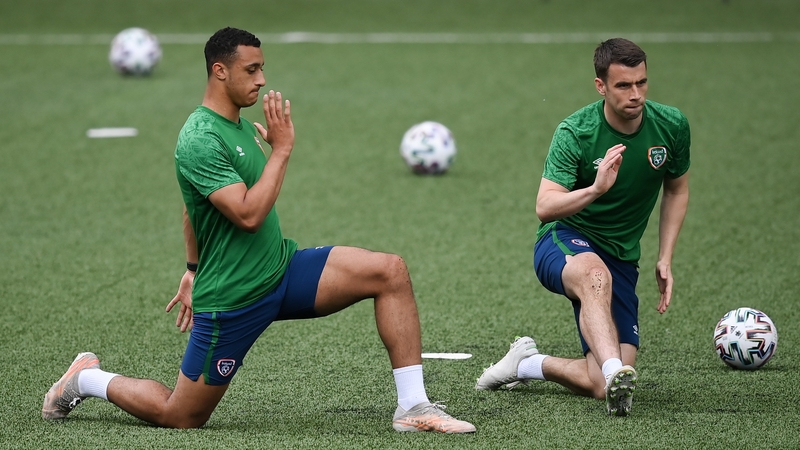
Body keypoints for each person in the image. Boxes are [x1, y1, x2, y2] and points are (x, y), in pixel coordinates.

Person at [42, 27, 475, 434]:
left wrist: (191, 267)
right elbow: (247, 214)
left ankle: (413, 408)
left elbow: (191, 209)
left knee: (389, 271)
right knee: (183, 415)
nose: (262, 79)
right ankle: (88, 379)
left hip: (280, 271)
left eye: (262, 68)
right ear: (220, 70)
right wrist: (282, 151)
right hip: (233, 298)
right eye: (252, 69)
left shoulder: (241, 127)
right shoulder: (199, 138)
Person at [475, 38, 690, 417]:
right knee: (594, 274)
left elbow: (676, 188)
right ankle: (614, 373)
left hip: (621, 256)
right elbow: (545, 207)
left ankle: (525, 364)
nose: (636, 94)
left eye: (641, 82)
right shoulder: (575, 132)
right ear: (601, 86)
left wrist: (665, 257)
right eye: (624, 85)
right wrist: (595, 189)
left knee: (594, 385)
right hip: (563, 239)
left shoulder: (671, 125)